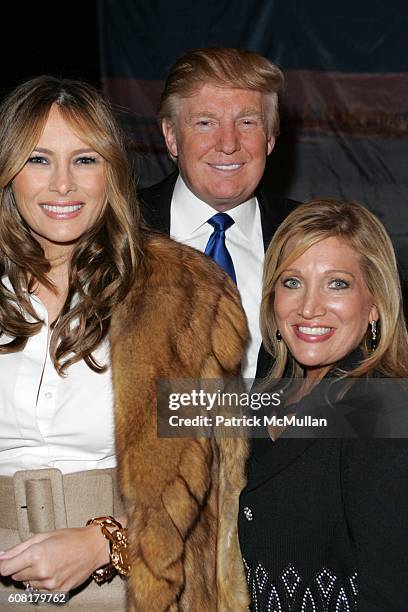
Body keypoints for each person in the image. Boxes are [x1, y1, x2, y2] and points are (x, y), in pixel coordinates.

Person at [0, 76, 250, 611]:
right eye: (39, 160)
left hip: (128, 582)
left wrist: (104, 541)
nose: (62, 185)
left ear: (111, 170)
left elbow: (210, 482)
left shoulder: (183, 294)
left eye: (85, 160)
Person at [238, 199, 408, 611]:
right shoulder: (268, 400)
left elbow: (389, 595)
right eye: (292, 282)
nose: (309, 308)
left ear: (374, 305)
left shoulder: (381, 412)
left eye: (337, 284)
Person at [138, 47, 298, 381]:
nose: (228, 143)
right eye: (206, 122)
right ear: (171, 137)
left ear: (270, 138)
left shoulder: (310, 237)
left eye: (247, 122)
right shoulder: (114, 227)